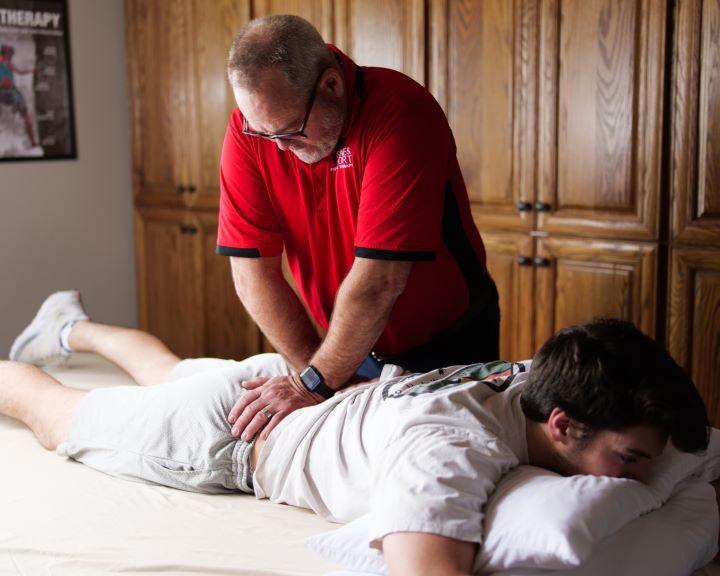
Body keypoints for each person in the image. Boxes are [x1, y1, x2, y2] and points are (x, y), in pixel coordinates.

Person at [3, 291, 710, 574]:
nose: (641, 477)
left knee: (167, 371)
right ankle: (43, 348)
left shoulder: (540, 374)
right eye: (631, 458)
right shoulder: (449, 448)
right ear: (562, 425)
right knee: (53, 415)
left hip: (288, 384)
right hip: (230, 436)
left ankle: (68, 323)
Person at [216, 14, 500, 440]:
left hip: (448, 341)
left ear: (331, 85)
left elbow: (379, 281)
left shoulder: (401, 112)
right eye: (264, 135)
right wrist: (320, 377)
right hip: (346, 347)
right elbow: (252, 274)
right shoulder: (253, 131)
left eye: (291, 131)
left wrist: (311, 383)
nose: (281, 149)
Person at [0, 44, 37, 147]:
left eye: (11, 54)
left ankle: (32, 141)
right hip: (2, 92)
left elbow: (19, 71)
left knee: (25, 114)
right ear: (5, 53)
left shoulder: (9, 63)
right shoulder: (2, 62)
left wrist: (30, 71)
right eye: (10, 54)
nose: (11, 56)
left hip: (12, 91)